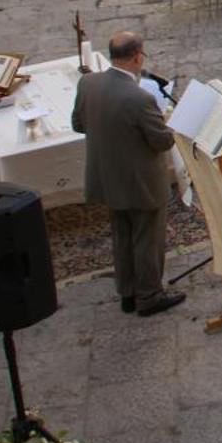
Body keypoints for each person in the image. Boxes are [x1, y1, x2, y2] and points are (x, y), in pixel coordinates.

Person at [70, 31, 183, 316]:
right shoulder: (139, 98)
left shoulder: (88, 83)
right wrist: (169, 123)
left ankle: (128, 293)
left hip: (107, 177)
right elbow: (162, 141)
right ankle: (149, 296)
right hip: (141, 182)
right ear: (137, 57)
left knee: (122, 235)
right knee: (147, 239)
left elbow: (78, 125)